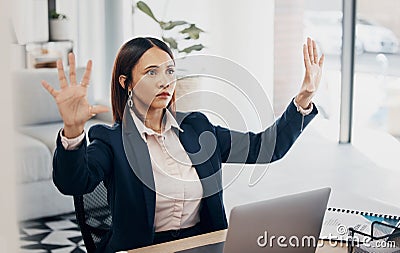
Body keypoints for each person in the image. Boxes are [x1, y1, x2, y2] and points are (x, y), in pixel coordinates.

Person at [42, 37, 324, 252]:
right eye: (151, 73)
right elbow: (73, 184)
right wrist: (73, 129)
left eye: (169, 71)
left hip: (205, 244)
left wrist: (304, 99)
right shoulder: (111, 140)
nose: (165, 81)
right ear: (127, 83)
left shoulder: (198, 129)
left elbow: (267, 147)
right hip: (145, 249)